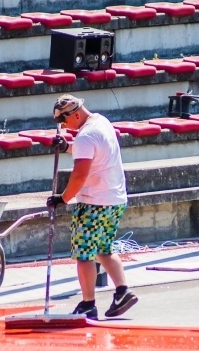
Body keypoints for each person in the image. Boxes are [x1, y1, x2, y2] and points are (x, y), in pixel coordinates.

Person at [46, 94, 138, 319]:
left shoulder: (85, 136)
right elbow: (91, 152)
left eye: (64, 121)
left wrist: (63, 198)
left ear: (75, 114)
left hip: (94, 202)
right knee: (104, 249)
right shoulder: (100, 122)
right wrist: (68, 146)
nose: (64, 126)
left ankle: (88, 303)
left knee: (84, 254)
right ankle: (122, 291)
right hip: (114, 199)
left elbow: (79, 174)